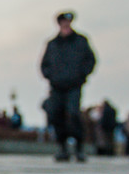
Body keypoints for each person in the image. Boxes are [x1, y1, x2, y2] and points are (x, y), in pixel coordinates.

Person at [40, 11, 96, 162]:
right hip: (57, 86)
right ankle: (62, 148)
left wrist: (81, 75)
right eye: (62, 23)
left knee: (73, 114)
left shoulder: (80, 41)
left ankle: (79, 148)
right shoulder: (52, 44)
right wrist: (50, 76)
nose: (65, 25)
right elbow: (44, 65)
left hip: (74, 85)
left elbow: (90, 60)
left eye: (67, 22)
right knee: (56, 114)